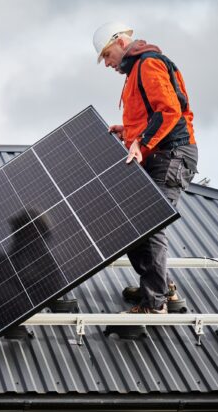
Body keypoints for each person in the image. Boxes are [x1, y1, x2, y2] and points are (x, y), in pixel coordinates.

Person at [93, 22, 198, 314]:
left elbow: (168, 111)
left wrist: (140, 142)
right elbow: (148, 116)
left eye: (107, 55)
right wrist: (128, 132)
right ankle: (162, 285)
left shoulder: (149, 63)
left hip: (172, 154)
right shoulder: (135, 71)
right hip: (158, 153)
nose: (107, 64)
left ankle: (155, 302)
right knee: (133, 224)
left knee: (150, 222)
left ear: (120, 42)